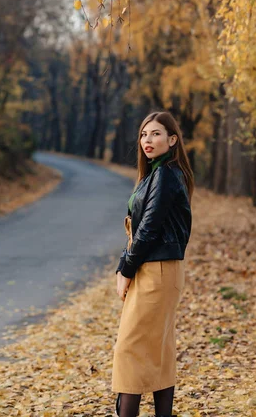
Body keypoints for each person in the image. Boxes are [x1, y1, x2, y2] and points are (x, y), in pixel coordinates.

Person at [112, 111, 194, 417]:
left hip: (158, 270)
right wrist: (126, 264)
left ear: (172, 140)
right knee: (158, 350)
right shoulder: (156, 175)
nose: (148, 140)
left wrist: (126, 270)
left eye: (156, 134)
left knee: (129, 348)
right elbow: (136, 226)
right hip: (156, 268)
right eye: (145, 134)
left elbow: (148, 229)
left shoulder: (167, 175)